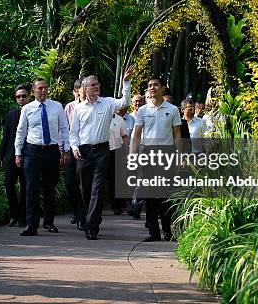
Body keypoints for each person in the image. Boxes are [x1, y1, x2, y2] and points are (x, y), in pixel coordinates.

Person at [69, 65, 134, 240]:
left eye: (97, 84)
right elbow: (73, 132)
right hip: (83, 152)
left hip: (102, 151)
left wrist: (126, 83)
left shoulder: (107, 103)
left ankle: (91, 225)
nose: (96, 87)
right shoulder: (79, 109)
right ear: (84, 89)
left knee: (97, 189)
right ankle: (91, 219)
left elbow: (124, 102)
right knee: (85, 189)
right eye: (92, 85)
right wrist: (74, 148)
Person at [15, 78, 71, 236]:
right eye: (40, 88)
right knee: (31, 187)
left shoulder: (57, 106)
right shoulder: (27, 109)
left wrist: (65, 150)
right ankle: (31, 225)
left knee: (50, 188)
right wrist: (18, 153)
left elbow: (64, 128)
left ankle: (48, 222)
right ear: (33, 91)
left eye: (45, 88)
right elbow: (21, 132)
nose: (44, 91)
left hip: (52, 151)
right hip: (32, 152)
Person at [132, 76, 182, 242]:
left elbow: (177, 135)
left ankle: (168, 231)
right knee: (150, 195)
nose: (152, 88)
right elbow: (137, 134)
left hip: (166, 154)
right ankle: (153, 232)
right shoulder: (143, 110)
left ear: (163, 88)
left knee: (165, 195)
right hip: (148, 154)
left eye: (155, 85)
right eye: (149, 86)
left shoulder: (173, 109)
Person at [0, 85, 30, 227]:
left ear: (29, 96)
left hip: (27, 154)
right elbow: (6, 136)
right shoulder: (11, 114)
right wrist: (0, 155)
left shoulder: (33, 112)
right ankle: (14, 215)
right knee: (9, 184)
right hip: (11, 155)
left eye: (23, 96)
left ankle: (23, 217)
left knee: (25, 187)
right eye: (18, 96)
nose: (21, 99)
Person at [64, 79, 86, 230]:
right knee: (70, 181)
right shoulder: (70, 107)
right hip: (72, 149)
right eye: (81, 89)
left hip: (87, 148)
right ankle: (77, 210)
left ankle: (83, 215)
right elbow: (64, 129)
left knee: (84, 183)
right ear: (76, 91)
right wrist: (64, 150)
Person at [107, 111, 128, 215]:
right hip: (100, 151)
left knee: (115, 180)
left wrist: (126, 153)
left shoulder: (119, 119)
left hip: (116, 151)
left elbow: (125, 137)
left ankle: (116, 206)